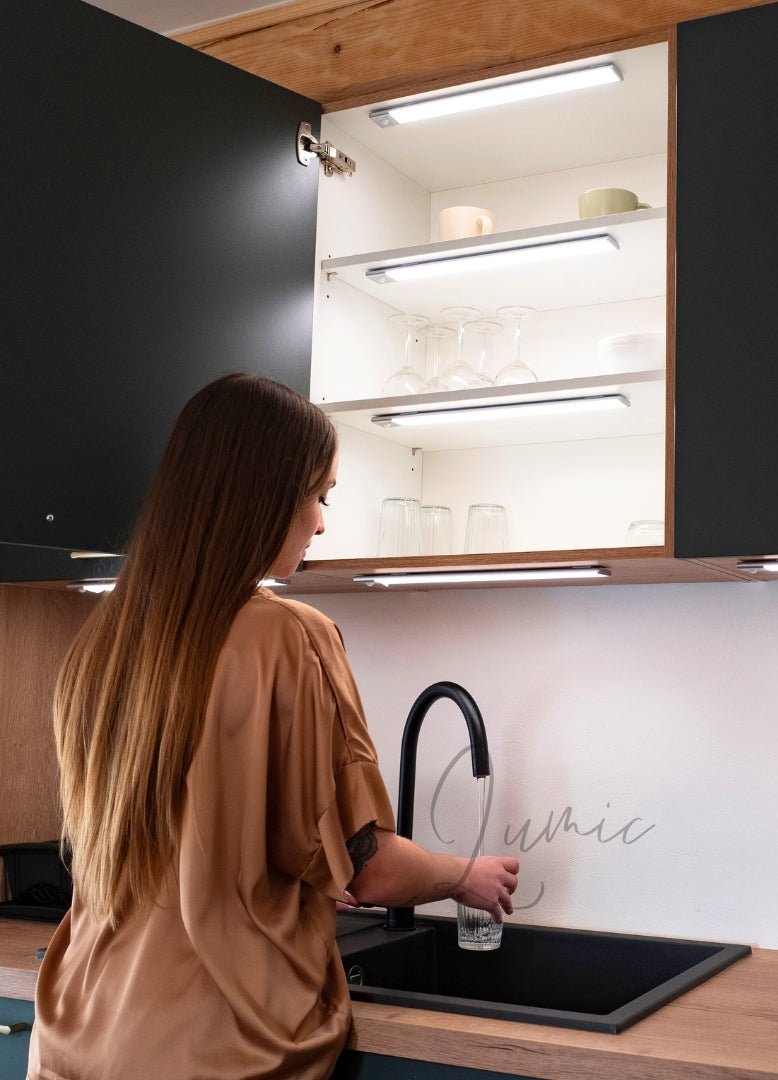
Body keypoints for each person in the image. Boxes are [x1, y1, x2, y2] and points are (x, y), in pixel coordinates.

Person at [28, 372, 519, 1080]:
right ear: (262, 496)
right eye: (318, 495)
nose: (320, 522)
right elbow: (370, 870)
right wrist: (463, 875)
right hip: (217, 1046)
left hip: (77, 1031)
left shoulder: (103, 642)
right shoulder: (291, 637)